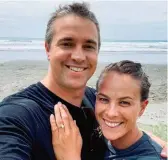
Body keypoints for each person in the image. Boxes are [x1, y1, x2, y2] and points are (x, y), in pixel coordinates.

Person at [0, 2, 167, 160]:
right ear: (48, 49)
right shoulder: (15, 117)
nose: (79, 56)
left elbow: (119, 118)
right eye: (67, 43)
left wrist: (149, 143)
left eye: (88, 46)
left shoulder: (93, 98)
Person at [50, 60, 167, 160]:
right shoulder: (106, 135)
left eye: (124, 102)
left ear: (142, 108)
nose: (111, 113)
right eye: (104, 99)